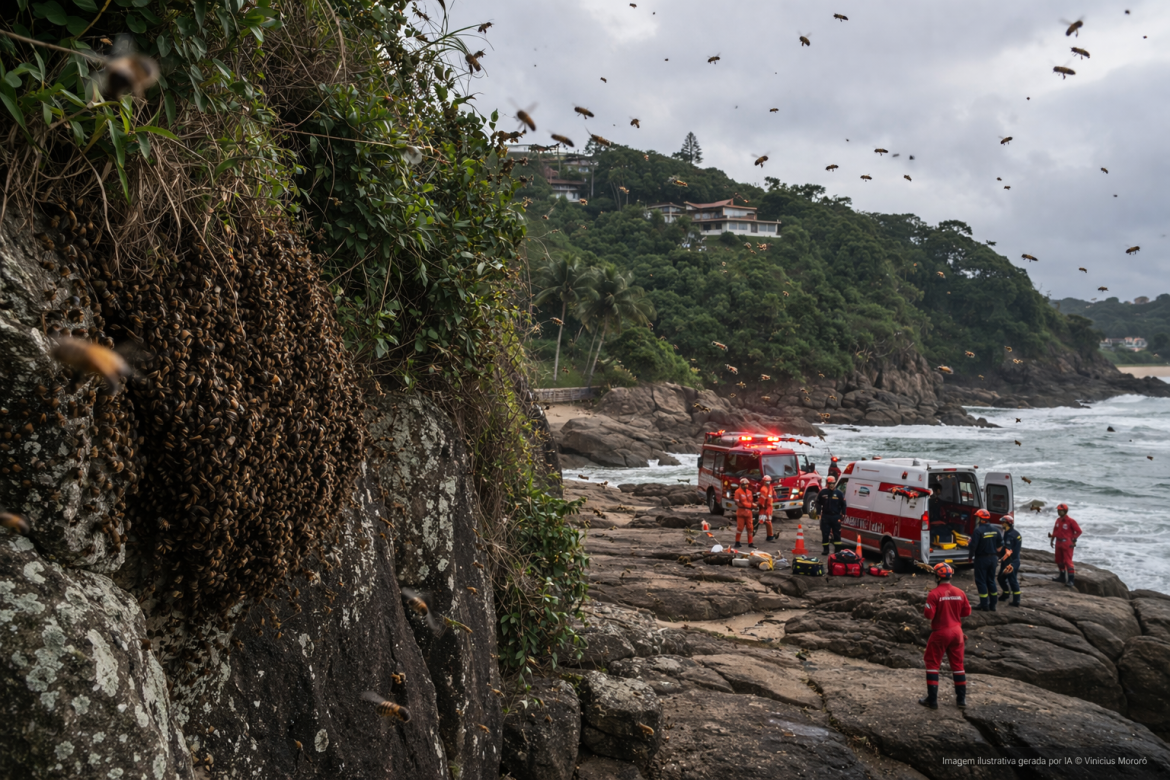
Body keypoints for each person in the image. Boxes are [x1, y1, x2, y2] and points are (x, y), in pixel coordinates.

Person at [920, 562, 971, 710]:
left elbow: (928, 615)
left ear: (937, 576)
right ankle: (961, 700)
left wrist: (930, 605)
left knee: (932, 663)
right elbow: (967, 612)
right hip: (957, 632)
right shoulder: (960, 592)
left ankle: (932, 700)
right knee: (958, 665)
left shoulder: (934, 594)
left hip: (941, 632)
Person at [971, 508, 1003, 611]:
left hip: (981, 559)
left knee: (981, 581)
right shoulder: (995, 530)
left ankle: (984, 604)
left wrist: (970, 556)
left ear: (980, 519)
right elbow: (1000, 545)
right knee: (991, 581)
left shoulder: (978, 531)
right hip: (993, 559)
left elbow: (973, 546)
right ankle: (993, 605)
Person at [1049, 503, 1083, 587]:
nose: (1058, 512)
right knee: (1059, 560)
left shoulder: (1071, 521)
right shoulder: (1058, 520)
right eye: (1058, 510)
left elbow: (1079, 531)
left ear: (1065, 511)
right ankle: (1062, 577)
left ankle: (1071, 580)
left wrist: (1073, 539)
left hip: (1067, 543)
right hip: (1058, 542)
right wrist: (1052, 539)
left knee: (1068, 561)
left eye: (1060, 511)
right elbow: (1055, 531)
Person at [815, 475, 846, 556]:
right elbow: (817, 502)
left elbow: (844, 504)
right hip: (826, 516)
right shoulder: (823, 492)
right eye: (830, 483)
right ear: (827, 483)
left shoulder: (839, 494)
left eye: (833, 483)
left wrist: (843, 514)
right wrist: (818, 513)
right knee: (825, 534)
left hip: (836, 517)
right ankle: (826, 550)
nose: (831, 485)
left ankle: (837, 551)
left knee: (837, 534)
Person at [996, 515, 1023, 606]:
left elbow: (1008, 551)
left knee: (1012, 580)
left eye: (1003, 522)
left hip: (1010, 562)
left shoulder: (1010, 536)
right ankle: (1006, 594)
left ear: (1008, 523)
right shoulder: (1015, 533)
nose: (1001, 524)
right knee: (1001, 578)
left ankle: (1016, 600)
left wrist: (1000, 559)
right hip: (1014, 560)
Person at [733, 477, 756, 549]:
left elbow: (751, 501)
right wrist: (744, 505)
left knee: (750, 528)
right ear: (741, 484)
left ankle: (750, 543)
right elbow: (737, 502)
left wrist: (753, 505)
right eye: (744, 484)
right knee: (740, 528)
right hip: (741, 512)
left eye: (747, 484)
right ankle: (737, 542)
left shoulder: (749, 492)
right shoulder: (737, 491)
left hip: (749, 512)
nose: (746, 486)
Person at [758, 475, 776, 542]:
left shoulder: (770, 488)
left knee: (767, 521)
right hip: (766, 508)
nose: (768, 482)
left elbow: (774, 495)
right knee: (767, 521)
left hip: (769, 507)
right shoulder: (763, 489)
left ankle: (770, 535)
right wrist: (763, 507)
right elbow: (762, 501)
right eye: (767, 481)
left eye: (768, 481)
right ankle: (770, 536)